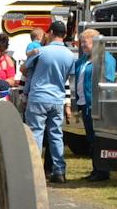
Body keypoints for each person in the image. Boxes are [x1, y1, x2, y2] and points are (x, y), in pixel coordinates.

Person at [22, 28, 78, 183]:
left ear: (51, 32)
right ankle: (59, 171)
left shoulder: (40, 51)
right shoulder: (70, 55)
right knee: (56, 135)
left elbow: (27, 70)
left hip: (38, 97)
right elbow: (69, 80)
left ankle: (35, 171)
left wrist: (24, 94)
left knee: (36, 134)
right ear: (65, 35)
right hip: (57, 99)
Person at [76, 28, 116, 181]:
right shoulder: (83, 60)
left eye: (85, 43)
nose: (82, 46)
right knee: (91, 138)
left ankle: (102, 171)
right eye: (81, 43)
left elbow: (108, 81)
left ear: (95, 42)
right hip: (85, 103)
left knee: (98, 138)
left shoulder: (106, 59)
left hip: (98, 104)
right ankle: (96, 169)